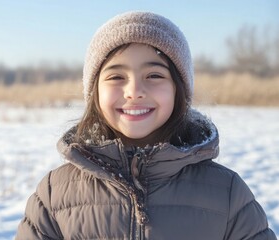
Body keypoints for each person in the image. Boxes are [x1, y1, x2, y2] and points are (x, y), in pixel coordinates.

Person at [15, 11, 277, 239]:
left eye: (154, 75)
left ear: (179, 90)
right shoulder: (54, 194)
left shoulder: (227, 194)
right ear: (94, 92)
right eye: (116, 76)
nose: (134, 91)